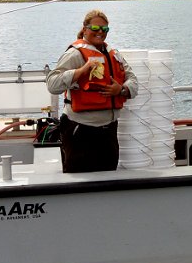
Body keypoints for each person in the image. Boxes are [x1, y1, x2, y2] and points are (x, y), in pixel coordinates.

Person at [47, 9, 138, 172]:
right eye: (95, 29)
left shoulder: (114, 54)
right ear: (85, 28)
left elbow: (133, 81)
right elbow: (52, 84)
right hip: (80, 131)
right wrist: (81, 71)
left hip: (108, 131)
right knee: (79, 183)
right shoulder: (74, 55)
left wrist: (121, 89)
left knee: (108, 180)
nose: (100, 33)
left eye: (105, 29)